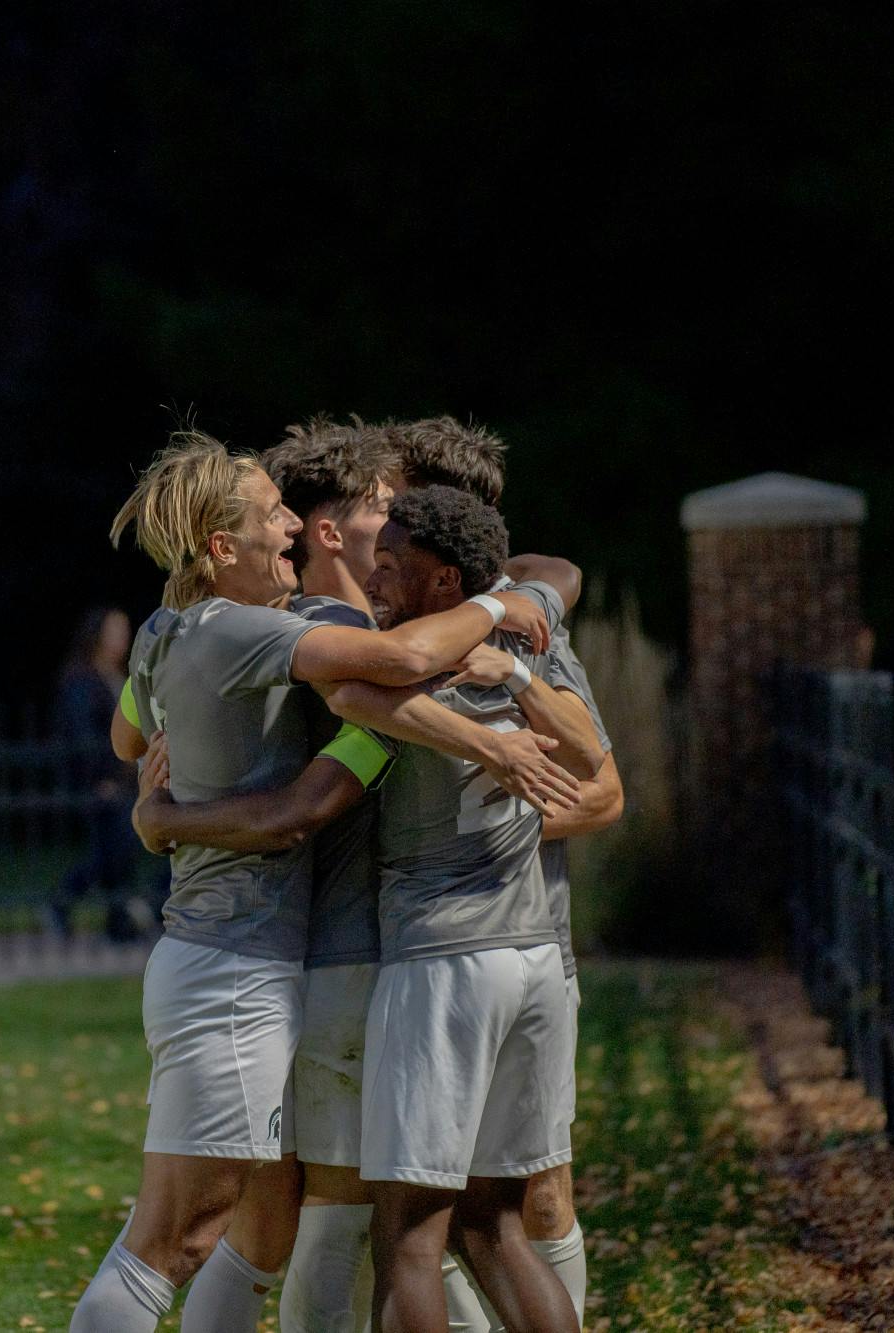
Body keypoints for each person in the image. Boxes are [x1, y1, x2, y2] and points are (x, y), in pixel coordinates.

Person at [71, 434, 579, 1333]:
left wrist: (171, 800)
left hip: (227, 955)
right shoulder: (299, 631)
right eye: (274, 518)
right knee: (203, 1240)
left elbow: (126, 737)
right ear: (227, 546)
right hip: (263, 964)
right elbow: (362, 715)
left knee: (250, 1232)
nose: (291, 534)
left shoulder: (166, 627)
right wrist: (506, 612)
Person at [347, 486, 600, 1333]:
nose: (373, 578)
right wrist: (521, 653)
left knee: (409, 1237)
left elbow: (355, 692)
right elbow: (595, 757)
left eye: (392, 564)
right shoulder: (525, 643)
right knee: (493, 1223)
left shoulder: (406, 657)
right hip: (533, 955)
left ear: (446, 579)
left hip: (443, 962)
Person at [47, 605, 151, 942]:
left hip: (129, 780)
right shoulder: (82, 680)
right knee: (115, 847)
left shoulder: (122, 677)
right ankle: (84, 905)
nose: (122, 638)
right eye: (114, 631)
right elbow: (83, 735)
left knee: (117, 848)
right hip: (102, 783)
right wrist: (101, 777)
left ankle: (115, 915)